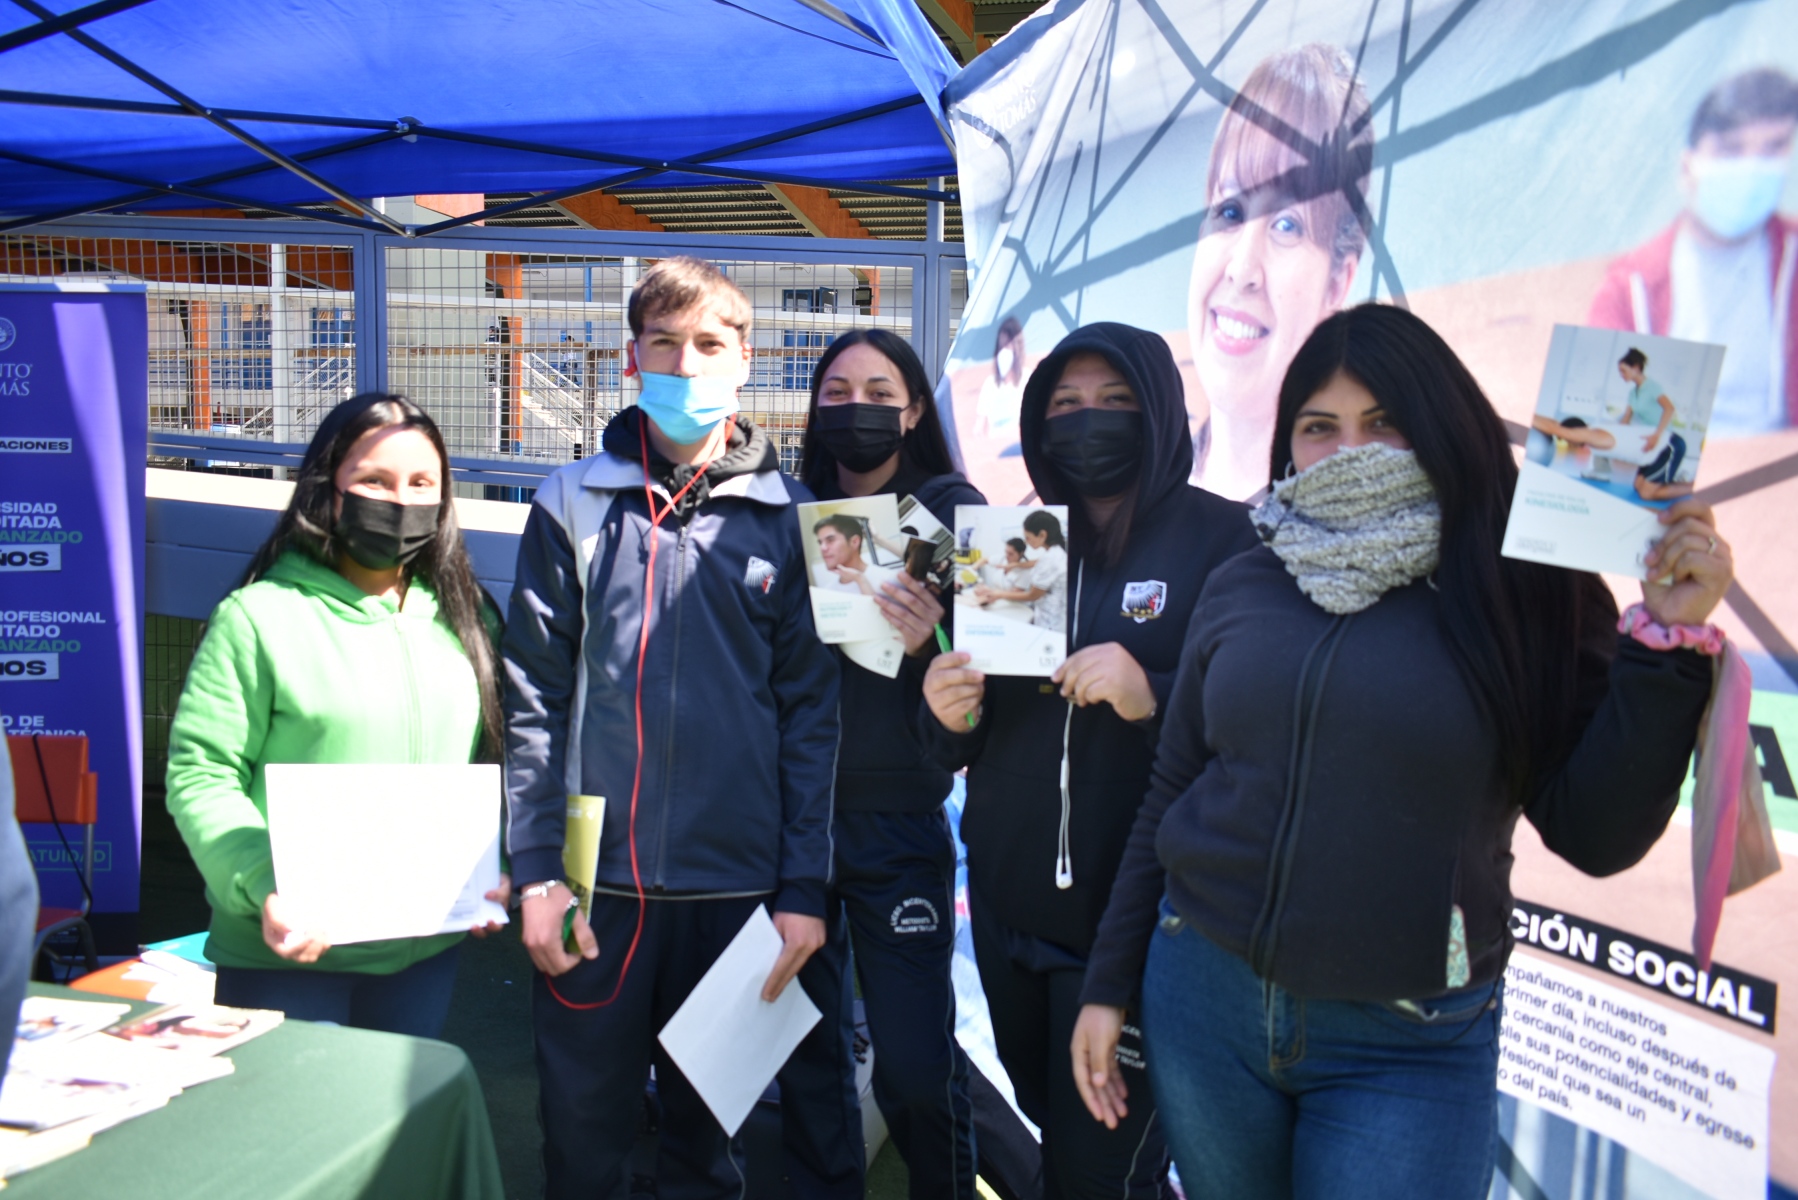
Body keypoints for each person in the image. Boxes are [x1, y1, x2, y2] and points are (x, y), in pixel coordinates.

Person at [1071, 304, 1731, 1200]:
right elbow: (1174, 786)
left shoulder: (1524, 589)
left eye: (1384, 420)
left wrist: (1666, 648)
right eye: (1319, 427)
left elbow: (1596, 835)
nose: (1351, 451)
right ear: (1287, 444)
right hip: (1204, 1002)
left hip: (1409, 1040)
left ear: (1442, 422)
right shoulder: (1246, 576)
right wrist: (1109, 982)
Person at [503, 256, 840, 1199]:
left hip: (739, 894)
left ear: (745, 360)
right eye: (664, 343)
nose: (686, 364)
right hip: (593, 892)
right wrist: (537, 872)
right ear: (631, 357)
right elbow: (532, 699)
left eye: (709, 344)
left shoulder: (797, 520)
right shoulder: (569, 501)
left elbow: (812, 719)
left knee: (708, 1156)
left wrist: (801, 888)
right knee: (582, 1147)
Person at [922, 323, 1259, 1200]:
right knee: (1056, 1129)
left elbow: (1264, 719)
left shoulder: (1227, 541)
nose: (1088, 421)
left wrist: (1153, 691)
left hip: (1138, 924)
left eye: (1114, 401)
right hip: (1008, 913)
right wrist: (949, 715)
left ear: (1159, 409)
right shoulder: (1013, 541)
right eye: (1066, 404)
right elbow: (970, 736)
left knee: (1093, 1173)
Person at [164, 393, 507, 1036]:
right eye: (374, 480)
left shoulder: (470, 619)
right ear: (328, 488)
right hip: (288, 955)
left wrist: (496, 865)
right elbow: (201, 775)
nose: (400, 501)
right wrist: (264, 882)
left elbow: (489, 762)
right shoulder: (258, 617)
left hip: (425, 951)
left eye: (421, 483)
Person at [776, 327, 984, 1200]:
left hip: (898, 828)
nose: (855, 408)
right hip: (793, 830)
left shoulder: (956, 514)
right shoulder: (786, 514)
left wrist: (931, 635)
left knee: (913, 1065)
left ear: (915, 410)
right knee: (807, 1063)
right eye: (836, 392)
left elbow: (1002, 670)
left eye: (878, 392)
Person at [1187, 44, 1375, 500]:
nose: (1242, 268)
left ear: (1337, 285)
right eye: (1231, 211)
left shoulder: (1368, 522)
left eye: (1287, 225)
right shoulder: (1133, 500)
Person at [1589, 68, 1798, 438]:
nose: (1752, 169)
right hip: (1673, 472)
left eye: (1772, 148)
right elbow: (1590, 456)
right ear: (1688, 168)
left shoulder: (1791, 259)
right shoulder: (1631, 289)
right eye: (1731, 150)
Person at [1616, 349, 1696, 502]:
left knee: (1646, 494)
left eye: (1623, 370)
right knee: (1638, 486)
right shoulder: (1633, 393)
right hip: (1652, 445)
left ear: (1636, 368)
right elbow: (1626, 419)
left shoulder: (1652, 386)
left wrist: (1656, 435)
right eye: (1620, 371)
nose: (1621, 374)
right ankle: (1677, 481)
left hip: (1668, 443)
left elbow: (1669, 409)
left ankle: (1696, 485)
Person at [973, 510, 1068, 631]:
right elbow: (1037, 561)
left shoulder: (1049, 560)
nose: (1026, 542)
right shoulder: (1055, 553)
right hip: (1046, 615)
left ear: (1042, 535)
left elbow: (1032, 595)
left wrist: (997, 594)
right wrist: (1016, 565)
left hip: (1050, 622)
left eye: (1028, 538)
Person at [811, 512, 900, 597]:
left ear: (854, 542)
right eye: (820, 542)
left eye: (830, 540)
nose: (822, 548)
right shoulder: (826, 593)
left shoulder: (889, 581)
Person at [975, 315, 1027, 442]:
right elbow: (979, 426)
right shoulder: (990, 384)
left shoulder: (1027, 379)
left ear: (1018, 349)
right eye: (1001, 346)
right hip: (995, 445)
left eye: (1008, 346)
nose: (1004, 352)